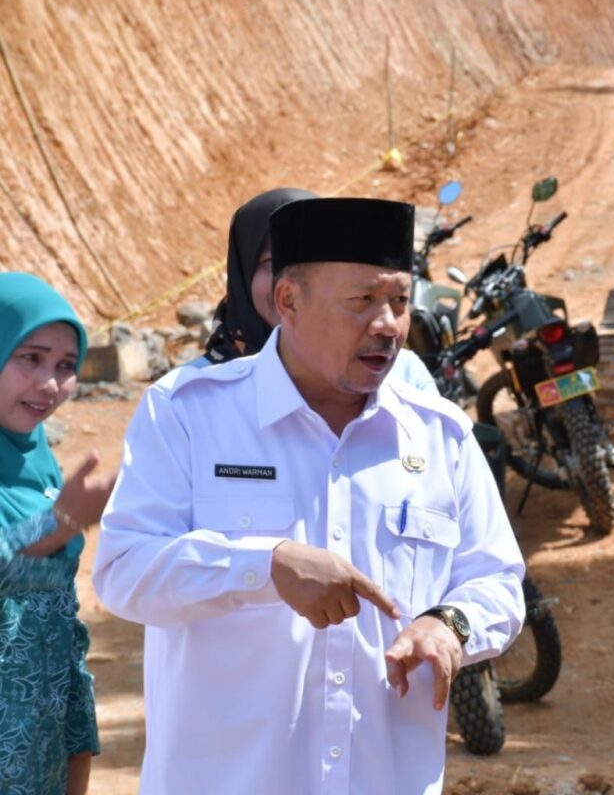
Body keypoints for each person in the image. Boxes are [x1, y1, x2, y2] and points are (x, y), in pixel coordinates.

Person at [94, 197, 525, 795]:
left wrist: (450, 624)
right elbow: (123, 569)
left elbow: (497, 579)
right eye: (362, 300)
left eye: (400, 302)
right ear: (288, 301)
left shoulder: (439, 434)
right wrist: (264, 566)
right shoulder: (189, 413)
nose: (388, 324)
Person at [0, 271, 114, 795]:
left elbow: (60, 627)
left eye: (66, 365)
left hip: (40, 756)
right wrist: (62, 522)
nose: (50, 384)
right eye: (31, 357)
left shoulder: (37, 466)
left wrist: (77, 737)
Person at [198, 187, 436, 392]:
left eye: (309, 267)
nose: (291, 282)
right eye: (273, 262)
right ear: (242, 270)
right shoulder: (193, 398)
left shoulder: (404, 375)